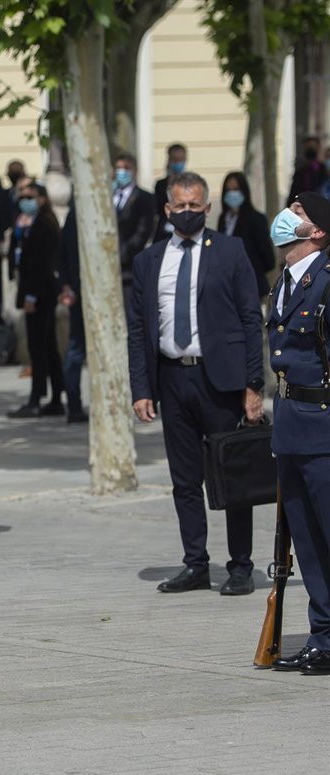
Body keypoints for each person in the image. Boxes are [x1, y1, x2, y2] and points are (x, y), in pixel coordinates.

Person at [127, 171, 263, 595]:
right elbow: (138, 330)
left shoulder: (230, 251)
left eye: (195, 205)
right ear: (167, 210)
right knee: (185, 480)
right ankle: (195, 564)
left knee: (232, 474)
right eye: (180, 206)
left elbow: (250, 319)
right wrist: (141, 389)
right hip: (172, 378)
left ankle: (240, 566)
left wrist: (254, 385)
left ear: (207, 207)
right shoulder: (149, 261)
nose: (187, 212)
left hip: (220, 380)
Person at [265, 192, 330, 674]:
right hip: (289, 425)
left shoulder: (326, 281)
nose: (287, 218)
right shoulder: (284, 282)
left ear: (318, 231)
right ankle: (323, 637)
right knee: (307, 542)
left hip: (323, 427)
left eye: (299, 213)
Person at [7, 181, 65, 418]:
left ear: (42, 199)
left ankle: (37, 398)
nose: (25, 201)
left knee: (39, 347)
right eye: (22, 197)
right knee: (47, 345)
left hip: (41, 293)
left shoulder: (44, 224)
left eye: (30, 197)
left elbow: (41, 263)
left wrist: (31, 296)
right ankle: (55, 396)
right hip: (31, 288)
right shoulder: (25, 222)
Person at [217, 171, 274, 298]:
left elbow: (268, 259)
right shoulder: (223, 219)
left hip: (251, 287)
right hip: (228, 287)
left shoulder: (256, 219)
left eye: (236, 189)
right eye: (228, 190)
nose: (232, 194)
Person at [112, 153, 157, 310]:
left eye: (126, 168)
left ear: (135, 171)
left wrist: (122, 253)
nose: (122, 172)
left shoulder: (145, 197)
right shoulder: (108, 196)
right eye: (118, 168)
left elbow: (143, 231)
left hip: (129, 268)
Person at [58, 200, 87, 422]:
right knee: (76, 348)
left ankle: (74, 404)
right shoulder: (79, 211)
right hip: (83, 290)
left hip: (78, 288)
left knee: (75, 349)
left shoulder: (74, 212)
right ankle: (74, 404)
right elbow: (64, 250)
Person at [153, 143, 188, 242]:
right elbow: (158, 209)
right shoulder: (161, 184)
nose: (177, 163)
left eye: (180, 160)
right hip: (164, 233)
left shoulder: (191, 184)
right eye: (174, 160)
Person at [287, 136, 327, 206]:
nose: (310, 149)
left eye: (313, 146)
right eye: (308, 147)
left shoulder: (324, 170)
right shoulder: (300, 172)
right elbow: (293, 193)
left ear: (318, 148)